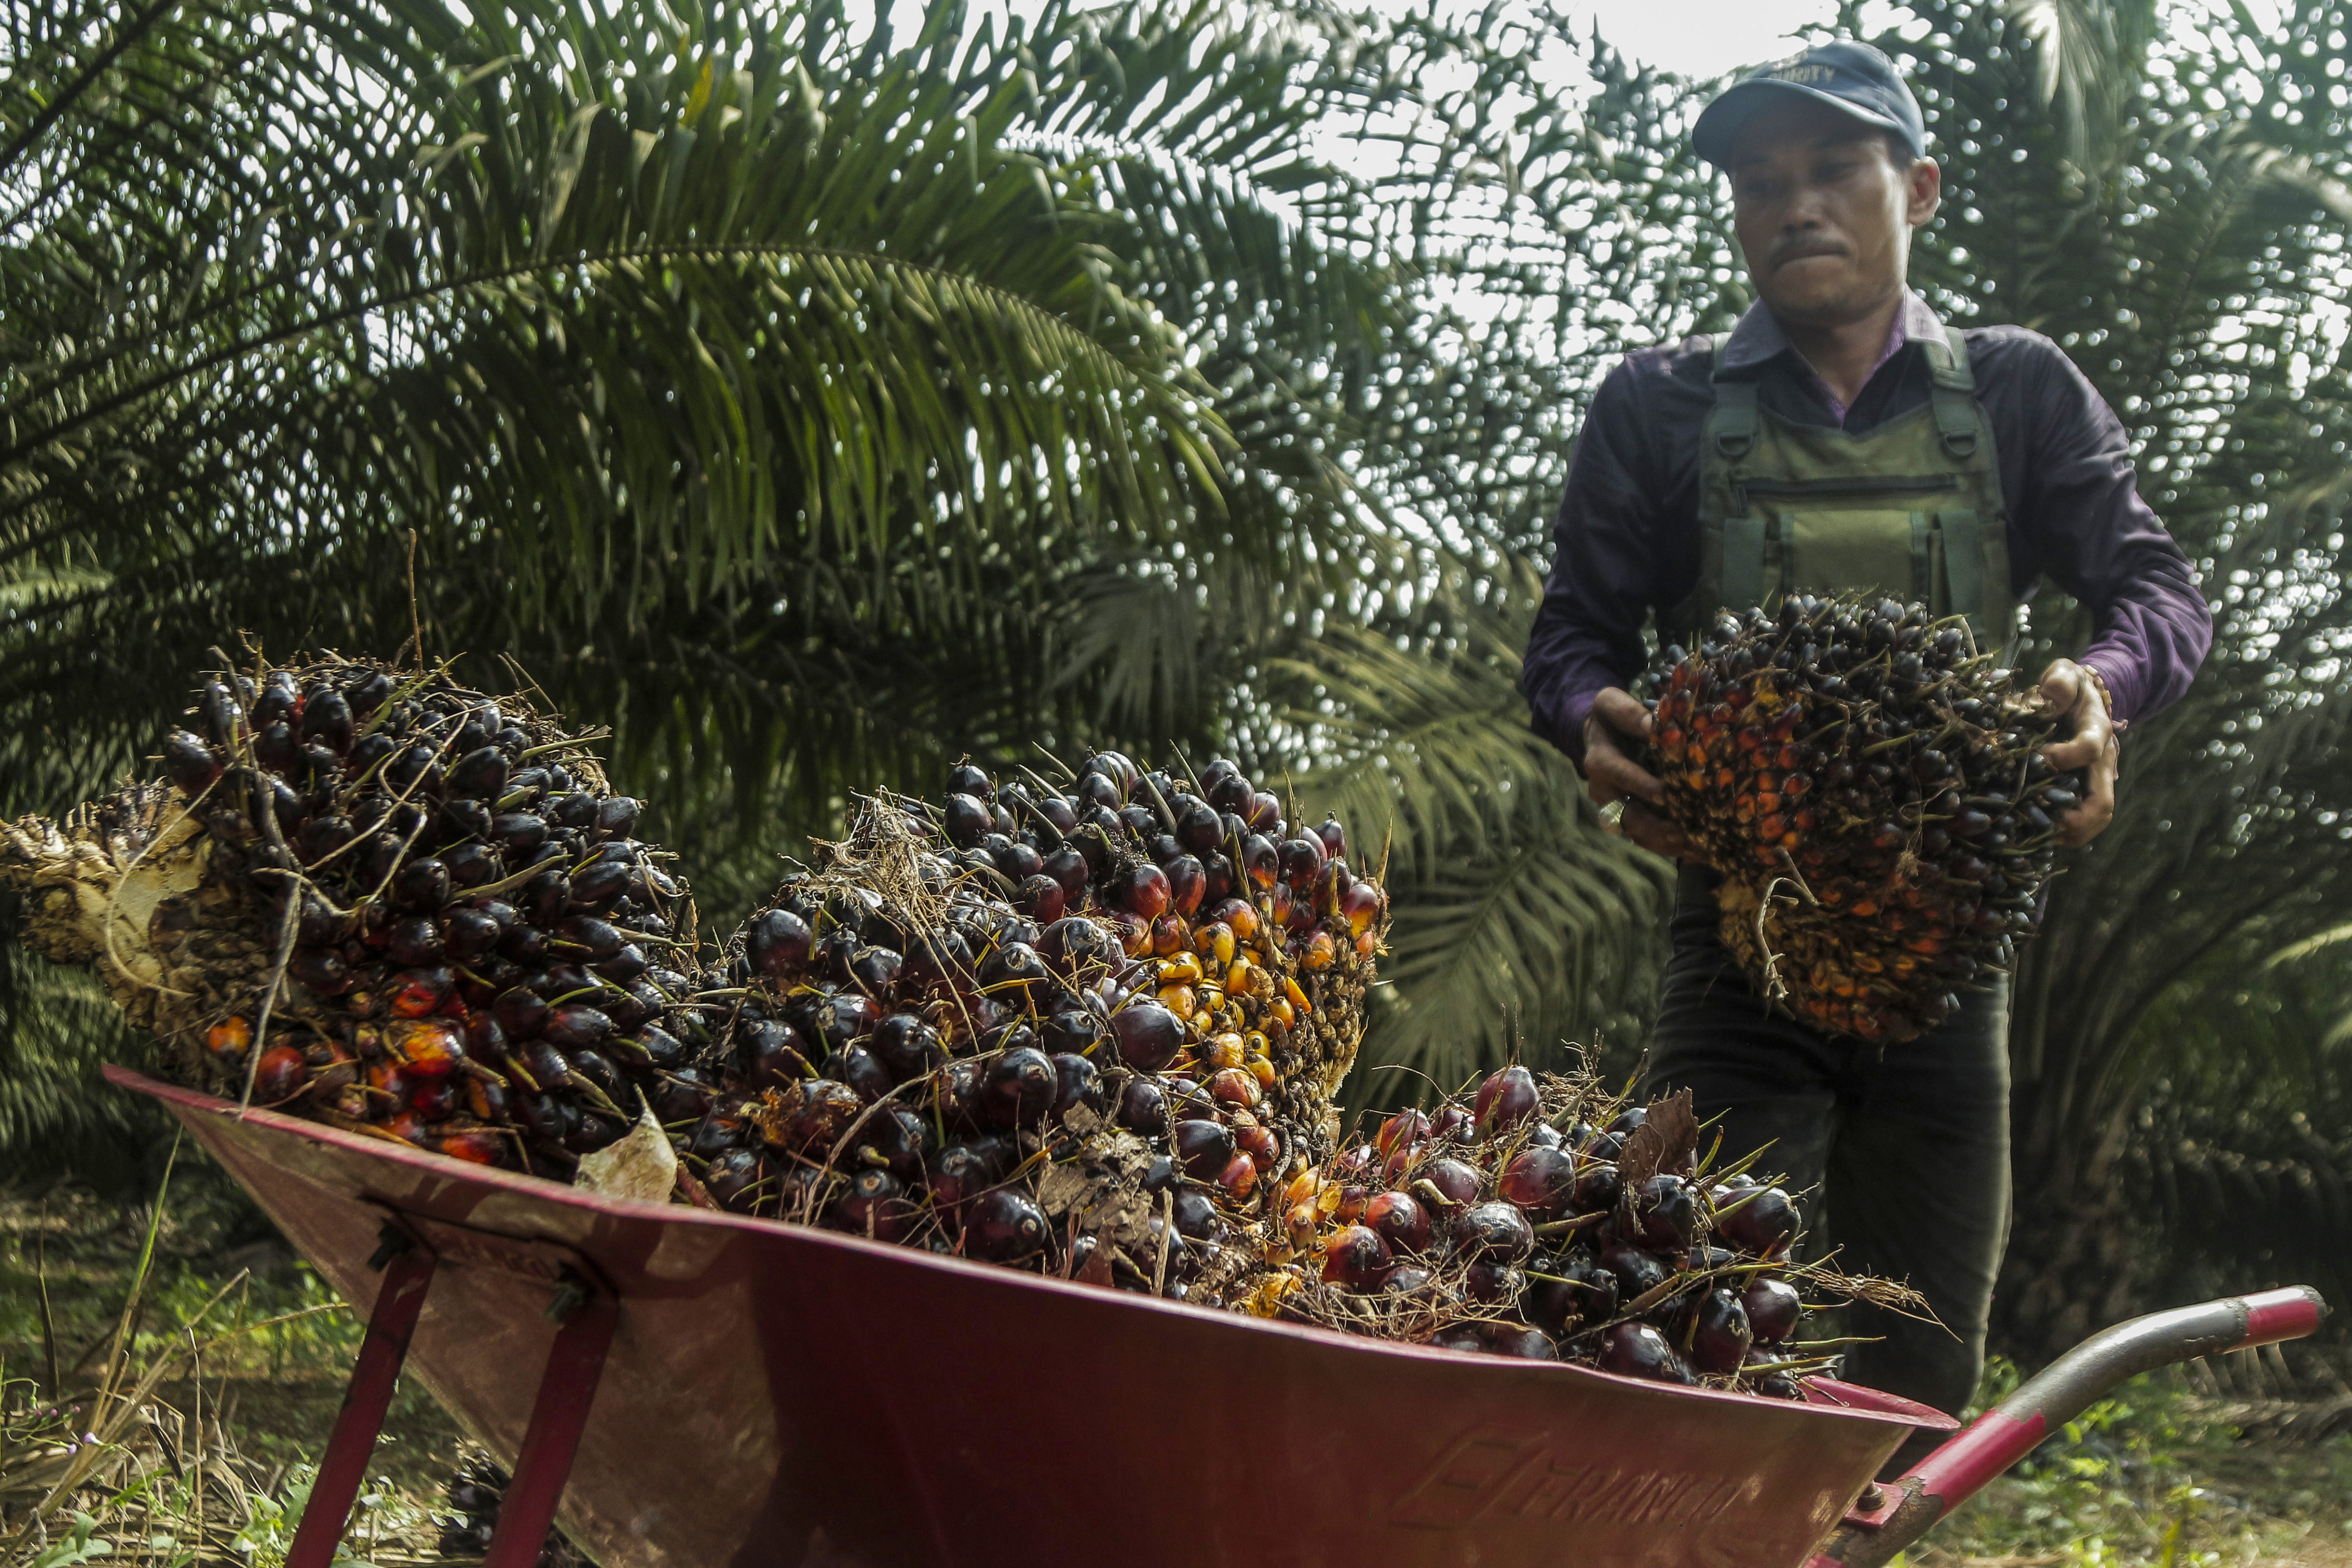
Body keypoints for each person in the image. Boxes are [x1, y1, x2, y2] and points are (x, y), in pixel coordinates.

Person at [1519, 41, 2211, 1463]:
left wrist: (2102, 683)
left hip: (1947, 959)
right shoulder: (1657, 405)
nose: (1797, 206)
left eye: (1836, 170)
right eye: (1760, 184)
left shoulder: (2016, 393)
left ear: (1923, 189)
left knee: (1915, 1386)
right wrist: (1596, 724)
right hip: (1734, 943)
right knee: (1682, 1331)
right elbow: (1570, 643)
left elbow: (2158, 590)